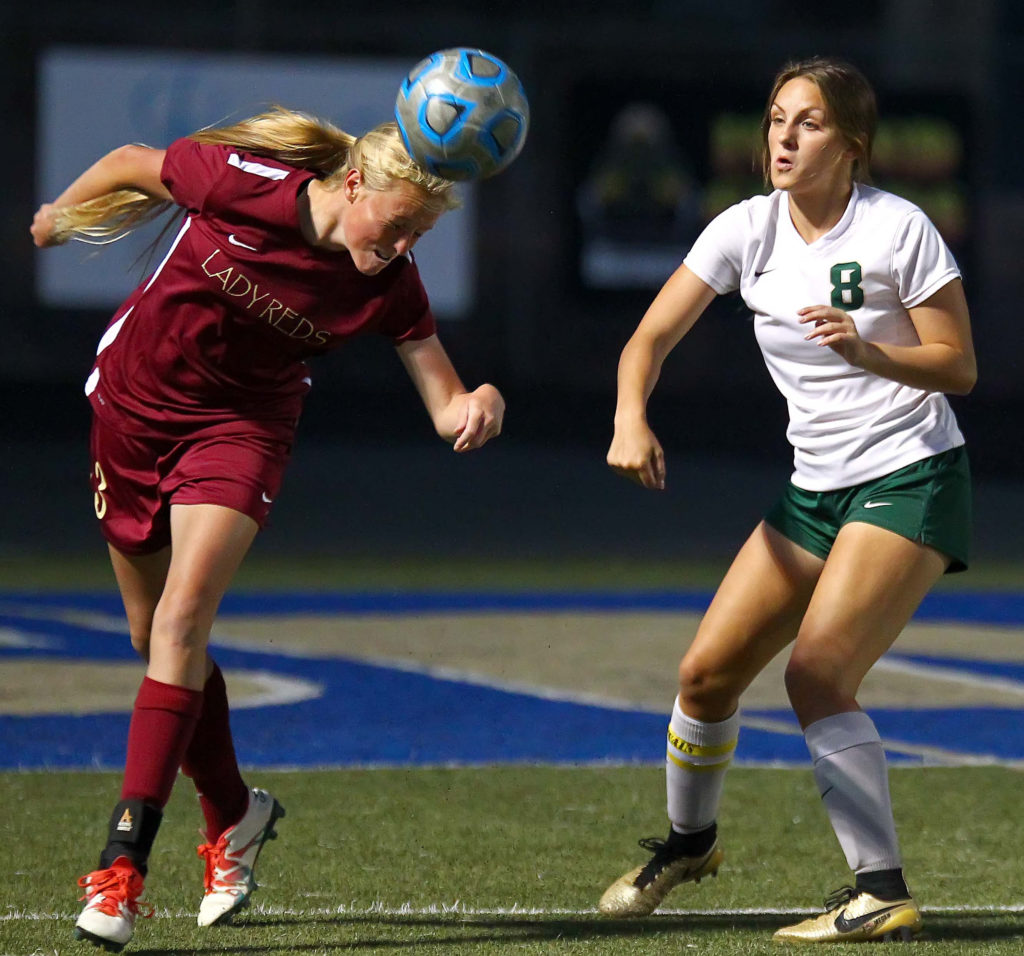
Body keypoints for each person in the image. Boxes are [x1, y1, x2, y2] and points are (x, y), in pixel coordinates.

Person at [31, 105, 504, 952]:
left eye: (418, 237)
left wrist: (481, 404)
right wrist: (62, 215)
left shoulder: (388, 281)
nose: (402, 250)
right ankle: (237, 814)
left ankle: (121, 870)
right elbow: (135, 158)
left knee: (181, 622)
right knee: (153, 637)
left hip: (242, 430)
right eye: (398, 226)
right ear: (353, 183)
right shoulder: (242, 186)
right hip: (132, 414)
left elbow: (445, 402)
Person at [601, 56, 975, 944]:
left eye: (806, 123)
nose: (783, 137)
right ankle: (691, 846)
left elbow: (958, 366)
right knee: (705, 675)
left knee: (816, 673)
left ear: (850, 143)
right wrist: (629, 417)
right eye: (775, 120)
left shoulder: (898, 228)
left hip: (909, 473)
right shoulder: (745, 230)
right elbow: (647, 338)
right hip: (815, 488)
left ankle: (879, 890)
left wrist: (872, 352)